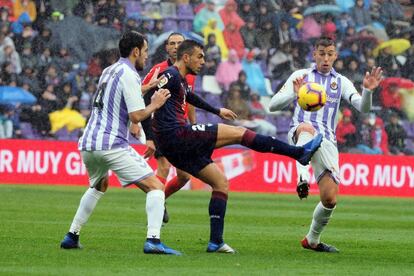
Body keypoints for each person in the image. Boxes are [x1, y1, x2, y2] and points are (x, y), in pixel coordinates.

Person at [150, 40, 323, 253]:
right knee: (240, 133)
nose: (203, 61)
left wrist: (216, 110)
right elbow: (147, 94)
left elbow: (190, 96)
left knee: (221, 183)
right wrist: (151, 135)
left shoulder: (182, 80)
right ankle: (299, 153)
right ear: (186, 57)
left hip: (175, 145)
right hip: (177, 135)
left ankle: (215, 242)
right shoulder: (171, 74)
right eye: (199, 56)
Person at [59, 31, 181, 255]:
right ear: (136, 51)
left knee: (99, 185)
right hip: (111, 144)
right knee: (156, 186)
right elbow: (136, 116)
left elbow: (118, 94)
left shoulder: (110, 70)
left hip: (88, 144)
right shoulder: (130, 74)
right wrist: (154, 103)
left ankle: (72, 235)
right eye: (144, 51)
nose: (146, 56)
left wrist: (146, 87)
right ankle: (153, 240)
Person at [269, 37, 383, 253]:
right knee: (307, 129)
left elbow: (363, 108)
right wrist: (294, 94)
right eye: (321, 53)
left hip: (328, 140)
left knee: (330, 199)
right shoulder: (300, 76)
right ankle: (302, 178)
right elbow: (273, 105)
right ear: (314, 54)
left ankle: (312, 239)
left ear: (335, 56)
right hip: (300, 132)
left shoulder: (341, 81)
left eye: (330, 53)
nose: (326, 58)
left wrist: (368, 91)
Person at [137, 33, 196, 224]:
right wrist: (143, 129)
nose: (176, 46)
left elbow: (190, 101)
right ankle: (156, 208)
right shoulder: (159, 70)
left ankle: (159, 200)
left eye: (180, 43)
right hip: (162, 125)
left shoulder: (190, 70)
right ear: (167, 48)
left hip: (182, 126)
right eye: (172, 43)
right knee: (163, 167)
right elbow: (140, 93)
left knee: (184, 176)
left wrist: (193, 126)